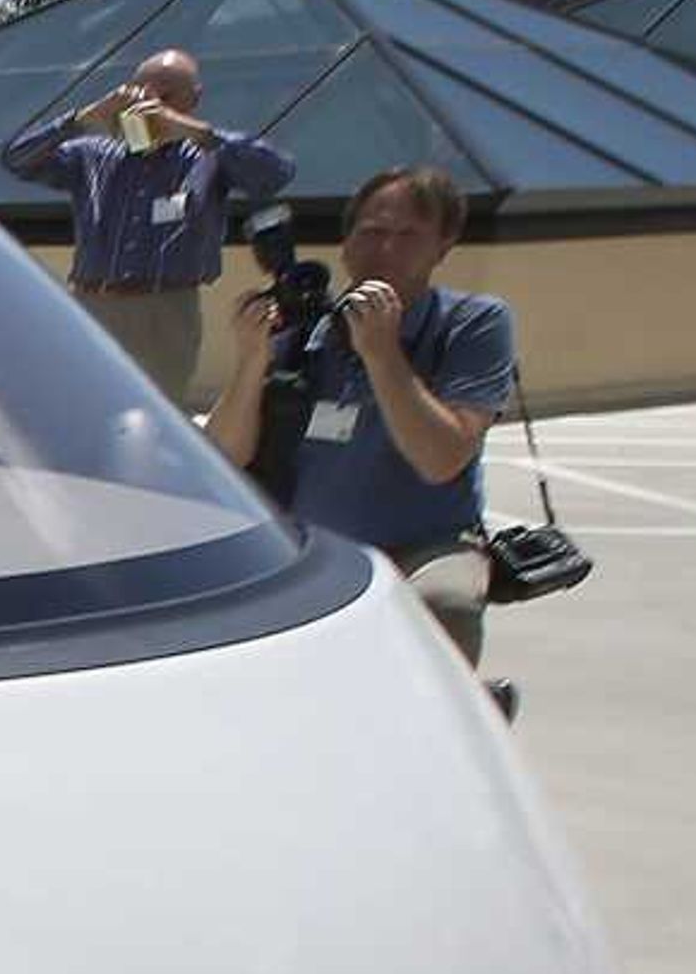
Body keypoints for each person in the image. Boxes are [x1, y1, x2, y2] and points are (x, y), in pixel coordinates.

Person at [202, 164, 519, 667]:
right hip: (311, 544)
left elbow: (442, 459)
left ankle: (449, 721)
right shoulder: (307, 328)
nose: (385, 249)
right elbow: (224, 456)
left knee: (448, 603)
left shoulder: (472, 323)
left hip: (423, 545)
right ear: (346, 244)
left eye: (408, 235)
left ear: (443, 247)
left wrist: (382, 354)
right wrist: (251, 361)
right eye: (371, 232)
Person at [0, 48, 296, 407]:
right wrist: (80, 119)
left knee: (153, 417)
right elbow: (16, 159)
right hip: (93, 302)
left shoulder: (208, 158)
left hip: (165, 308)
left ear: (194, 99)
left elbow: (274, 173)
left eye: (167, 96)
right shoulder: (92, 155)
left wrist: (189, 129)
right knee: (74, 411)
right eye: (142, 93)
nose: (150, 105)